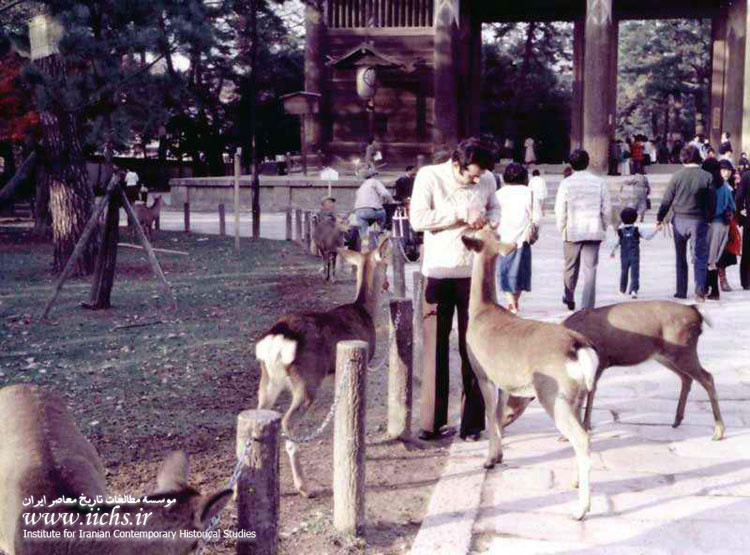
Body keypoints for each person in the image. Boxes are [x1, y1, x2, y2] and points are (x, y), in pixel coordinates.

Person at [409, 137, 501, 441]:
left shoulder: (487, 178)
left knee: (474, 347)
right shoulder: (429, 176)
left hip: (474, 273)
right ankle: (431, 423)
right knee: (434, 347)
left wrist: (489, 220)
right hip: (438, 271)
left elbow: (496, 208)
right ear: (456, 163)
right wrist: (460, 216)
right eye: (472, 174)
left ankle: (472, 423)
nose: (477, 179)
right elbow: (418, 219)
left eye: (480, 175)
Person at [554, 149, 612, 310]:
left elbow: (560, 210)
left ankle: (569, 295)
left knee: (570, 267)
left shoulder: (566, 183)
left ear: (571, 164)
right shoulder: (599, 182)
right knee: (590, 270)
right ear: (587, 163)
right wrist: (603, 226)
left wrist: (562, 229)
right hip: (593, 229)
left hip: (572, 230)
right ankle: (587, 306)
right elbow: (607, 209)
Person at [656, 144, 715, 301]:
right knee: (699, 256)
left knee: (680, 256)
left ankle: (681, 291)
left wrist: (660, 217)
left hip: (680, 220)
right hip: (699, 221)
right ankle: (700, 291)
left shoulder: (677, 176)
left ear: (683, 158)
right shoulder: (707, 176)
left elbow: (667, 199)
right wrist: (709, 219)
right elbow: (712, 202)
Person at [494, 163, 541, 313]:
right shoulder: (529, 193)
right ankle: (514, 302)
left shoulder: (498, 194)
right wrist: (534, 230)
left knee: (505, 271)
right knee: (520, 273)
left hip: (503, 238)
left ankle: (511, 303)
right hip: (522, 238)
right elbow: (537, 217)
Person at [705, 159, 737, 300]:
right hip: (724, 225)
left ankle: (713, 290)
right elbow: (733, 206)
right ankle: (711, 288)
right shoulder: (724, 186)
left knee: (710, 259)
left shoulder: (710, 186)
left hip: (712, 225)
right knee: (716, 258)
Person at [610, 207, 658, 298]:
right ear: (635, 218)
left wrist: (613, 251)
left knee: (624, 271)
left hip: (624, 255)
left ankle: (622, 289)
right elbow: (648, 236)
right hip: (634, 255)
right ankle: (633, 290)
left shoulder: (620, 231)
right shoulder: (637, 230)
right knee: (634, 272)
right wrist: (656, 230)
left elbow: (617, 242)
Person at [352, 168, 393, 243]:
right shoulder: (375, 182)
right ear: (373, 175)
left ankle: (365, 247)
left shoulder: (362, 186)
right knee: (383, 214)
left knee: (363, 235)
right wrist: (392, 201)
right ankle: (382, 232)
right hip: (371, 210)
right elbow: (385, 193)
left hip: (358, 211)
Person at [735, 167, 750, 289]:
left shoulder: (746, 176)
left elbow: (739, 197)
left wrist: (740, 212)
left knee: (748, 249)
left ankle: (746, 281)